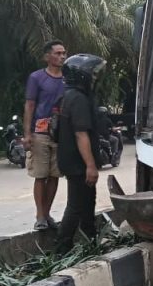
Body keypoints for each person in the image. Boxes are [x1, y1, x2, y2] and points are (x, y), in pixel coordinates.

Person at [55, 53, 107, 255]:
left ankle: (90, 239)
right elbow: (80, 134)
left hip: (72, 160)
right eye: (92, 75)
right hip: (78, 162)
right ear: (81, 76)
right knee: (76, 206)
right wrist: (90, 165)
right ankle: (62, 249)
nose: (94, 79)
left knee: (87, 202)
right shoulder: (78, 99)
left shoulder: (69, 96)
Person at [24, 41, 67, 230]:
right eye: (57, 53)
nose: (62, 57)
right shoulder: (36, 78)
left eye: (64, 53)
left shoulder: (68, 79)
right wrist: (27, 134)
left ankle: (47, 213)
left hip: (60, 134)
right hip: (40, 133)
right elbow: (30, 105)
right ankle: (40, 215)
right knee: (40, 176)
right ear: (47, 56)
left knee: (54, 175)